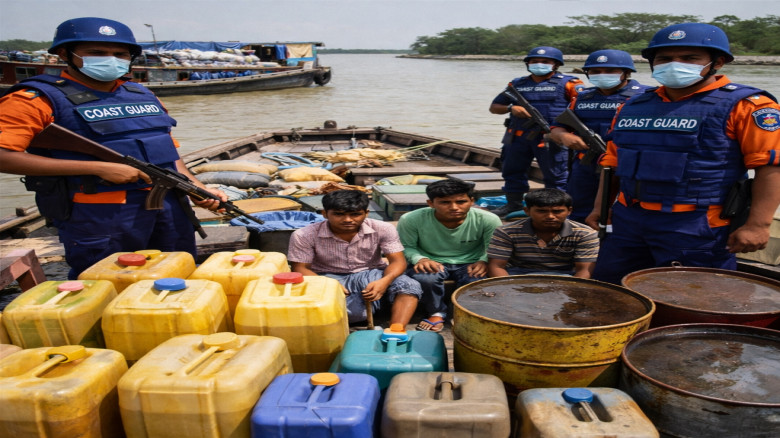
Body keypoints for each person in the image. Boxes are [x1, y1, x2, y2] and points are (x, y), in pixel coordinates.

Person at [0, 17, 226, 279]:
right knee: (107, 286)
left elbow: (169, 157)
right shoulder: (34, 98)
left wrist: (198, 189)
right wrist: (99, 168)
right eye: (96, 53)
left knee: (177, 277)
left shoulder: (142, 94)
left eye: (120, 53)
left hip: (169, 208)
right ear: (65, 54)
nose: (110, 59)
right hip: (100, 214)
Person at [585, 23, 780, 285]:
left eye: (689, 58)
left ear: (717, 62)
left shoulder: (747, 106)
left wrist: (758, 225)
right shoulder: (633, 106)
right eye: (664, 59)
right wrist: (601, 207)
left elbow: (770, 167)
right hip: (629, 219)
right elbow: (613, 164)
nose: (674, 64)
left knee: (693, 297)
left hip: (697, 224)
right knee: (611, 286)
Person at [287, 190, 421, 327]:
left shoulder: (384, 228)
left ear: (366, 213)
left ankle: (396, 330)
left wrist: (384, 281)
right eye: (339, 214)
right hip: (325, 276)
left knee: (410, 285)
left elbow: (398, 261)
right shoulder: (303, 234)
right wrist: (328, 284)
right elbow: (300, 268)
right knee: (353, 314)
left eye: (355, 214)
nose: (348, 220)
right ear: (325, 213)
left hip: (370, 273)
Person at [549, 50, 652, 222]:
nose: (602, 75)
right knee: (579, 207)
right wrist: (564, 136)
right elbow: (556, 127)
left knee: (626, 210)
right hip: (586, 164)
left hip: (625, 165)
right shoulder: (582, 98)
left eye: (610, 71)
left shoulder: (646, 96)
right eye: (595, 72)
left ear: (626, 73)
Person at [489, 46, 584, 217]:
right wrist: (511, 108)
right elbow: (494, 107)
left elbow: (582, 109)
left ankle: (555, 209)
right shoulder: (517, 84)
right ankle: (514, 204)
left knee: (556, 175)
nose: (539, 64)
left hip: (551, 138)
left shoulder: (570, 83)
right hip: (517, 137)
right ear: (528, 64)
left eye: (545, 62)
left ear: (555, 65)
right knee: (512, 171)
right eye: (534, 61)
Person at [396, 179, 502, 332]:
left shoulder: (488, 219)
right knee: (426, 278)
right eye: (444, 202)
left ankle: (461, 313)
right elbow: (406, 247)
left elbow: (493, 247)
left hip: (471, 262)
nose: (454, 207)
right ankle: (436, 312)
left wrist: (483, 260)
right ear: (431, 203)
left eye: (461, 201)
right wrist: (420, 259)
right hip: (431, 261)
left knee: (476, 280)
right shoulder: (411, 219)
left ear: (471, 201)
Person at [487, 189, 599, 278]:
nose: (550, 216)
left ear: (569, 211)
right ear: (527, 211)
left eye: (557, 211)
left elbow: (583, 271)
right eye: (542, 211)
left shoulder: (585, 234)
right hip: (518, 274)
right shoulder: (506, 231)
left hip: (564, 275)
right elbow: (496, 266)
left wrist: (570, 291)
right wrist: (509, 291)